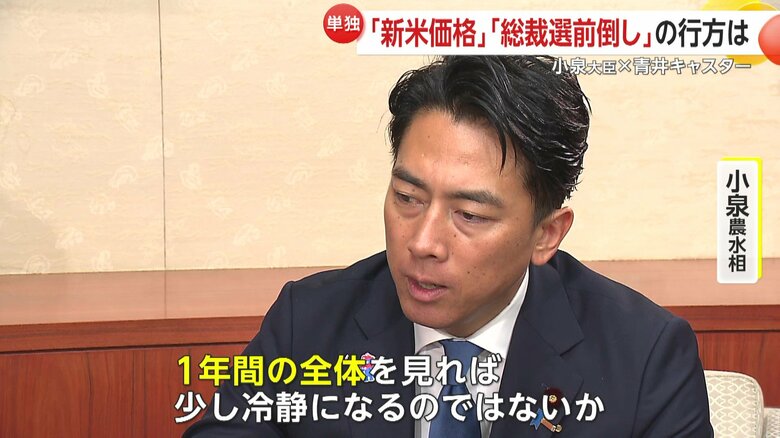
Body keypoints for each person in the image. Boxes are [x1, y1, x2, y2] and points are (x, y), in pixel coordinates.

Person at [184, 56, 713, 437]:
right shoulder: (307, 326)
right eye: (407, 198)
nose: (422, 242)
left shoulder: (644, 356)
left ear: (546, 234)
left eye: (470, 215)